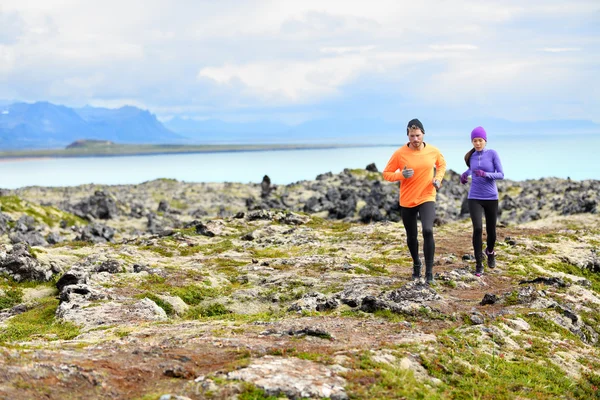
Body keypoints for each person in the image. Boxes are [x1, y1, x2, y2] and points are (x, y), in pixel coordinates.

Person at [383, 119, 447, 284]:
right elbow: (386, 173)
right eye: (412, 136)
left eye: (418, 135)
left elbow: (441, 165)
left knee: (428, 231)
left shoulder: (433, 151)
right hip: (407, 200)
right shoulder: (399, 153)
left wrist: (438, 179)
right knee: (411, 236)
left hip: (427, 196)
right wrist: (400, 175)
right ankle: (417, 264)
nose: (415, 139)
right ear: (408, 136)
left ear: (423, 134)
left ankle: (430, 272)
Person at [460, 126, 504, 276]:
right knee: (477, 229)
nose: (477, 143)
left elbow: (501, 174)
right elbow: (470, 170)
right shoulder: (471, 156)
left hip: (491, 197)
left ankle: (490, 251)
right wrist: (464, 175)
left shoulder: (492, 154)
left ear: (485, 140)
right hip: (474, 197)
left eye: (480, 140)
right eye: (474, 141)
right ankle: (479, 263)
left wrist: (486, 174)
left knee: (492, 232)